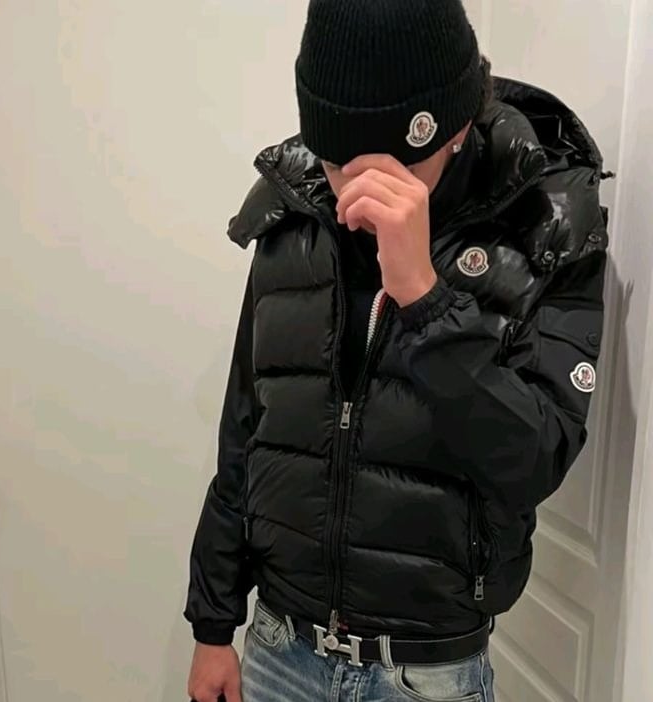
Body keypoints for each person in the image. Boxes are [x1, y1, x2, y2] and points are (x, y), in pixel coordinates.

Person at [185, 1, 609, 700]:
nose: (357, 191)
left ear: (455, 127)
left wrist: (426, 299)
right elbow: (246, 429)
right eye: (337, 159)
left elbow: (534, 459)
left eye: (391, 164)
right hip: (278, 651)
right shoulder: (293, 208)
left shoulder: (548, 222)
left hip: (425, 674)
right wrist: (212, 625)